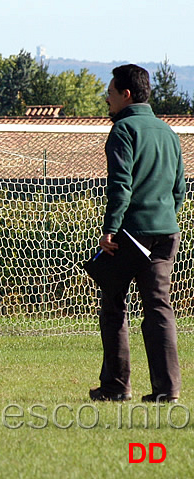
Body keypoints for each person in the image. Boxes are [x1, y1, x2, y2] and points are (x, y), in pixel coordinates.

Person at [89, 64, 185, 403]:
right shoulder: (168, 132)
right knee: (159, 308)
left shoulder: (123, 131)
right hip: (167, 232)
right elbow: (179, 190)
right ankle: (167, 389)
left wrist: (110, 230)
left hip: (132, 233)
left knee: (113, 305)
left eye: (110, 93)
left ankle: (116, 386)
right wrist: (164, 218)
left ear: (125, 94)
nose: (107, 99)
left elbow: (120, 187)